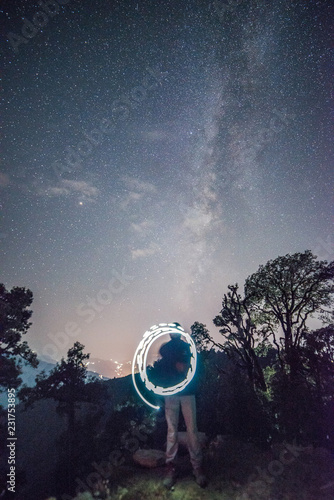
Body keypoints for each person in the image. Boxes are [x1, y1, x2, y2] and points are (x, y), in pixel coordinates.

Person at [158, 324, 207, 489]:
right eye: (171, 330)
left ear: (179, 333)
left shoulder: (187, 347)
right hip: (170, 393)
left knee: (191, 429)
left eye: (176, 330)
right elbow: (163, 366)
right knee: (172, 430)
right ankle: (171, 466)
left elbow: (193, 366)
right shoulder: (166, 348)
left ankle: (197, 467)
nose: (173, 333)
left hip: (188, 392)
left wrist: (183, 366)